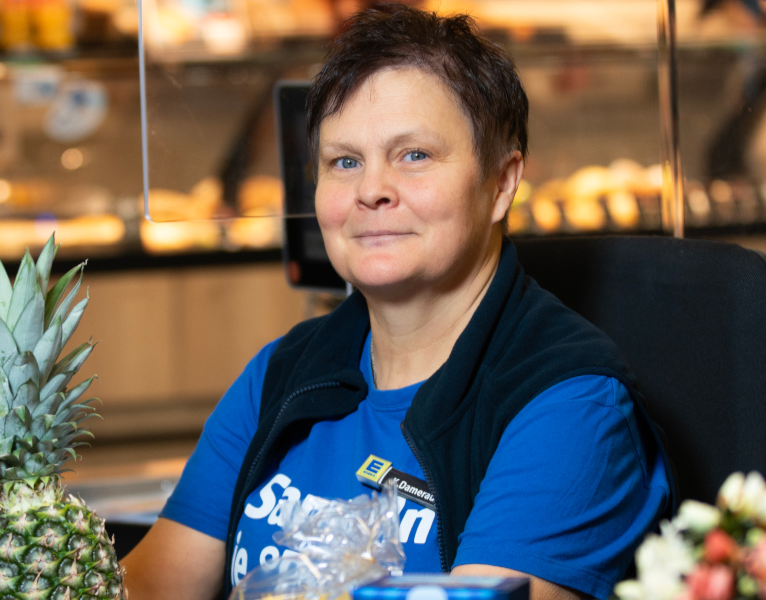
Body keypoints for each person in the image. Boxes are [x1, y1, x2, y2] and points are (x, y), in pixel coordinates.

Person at [119, 4, 673, 600]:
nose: (372, 190)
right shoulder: (280, 373)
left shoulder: (570, 407)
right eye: (345, 161)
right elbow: (149, 587)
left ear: (502, 183)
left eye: (414, 155)